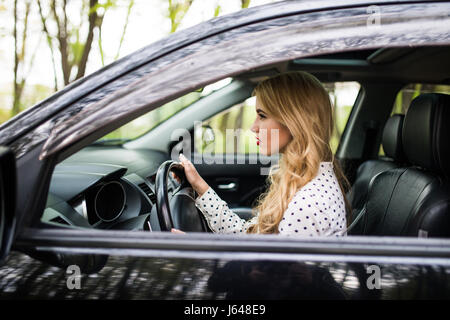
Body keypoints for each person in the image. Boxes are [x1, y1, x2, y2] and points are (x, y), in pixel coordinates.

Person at [172, 71, 352, 236]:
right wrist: (199, 185)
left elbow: (269, 271)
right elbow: (250, 238)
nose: (253, 127)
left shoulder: (307, 205)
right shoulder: (304, 178)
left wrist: (197, 255)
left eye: (262, 116)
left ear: (294, 121)